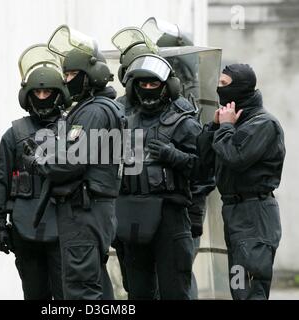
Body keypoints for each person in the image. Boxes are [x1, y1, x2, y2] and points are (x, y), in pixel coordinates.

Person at [22, 25, 125, 300]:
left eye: (71, 75)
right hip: (89, 209)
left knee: (81, 288)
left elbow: (71, 162)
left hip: (84, 210)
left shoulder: (93, 112)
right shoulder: (96, 109)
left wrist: (37, 163)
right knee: (93, 284)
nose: (66, 81)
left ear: (91, 75)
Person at [115, 53, 202, 299]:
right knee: (138, 291)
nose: (149, 89)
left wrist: (174, 156)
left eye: (154, 84)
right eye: (143, 84)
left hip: (170, 215)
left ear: (167, 87)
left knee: (175, 290)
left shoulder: (184, 124)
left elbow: (206, 170)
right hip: (132, 215)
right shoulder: (123, 124)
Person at [0, 45, 69, 300]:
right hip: (25, 228)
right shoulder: (14, 134)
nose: (42, 96)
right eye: (38, 91)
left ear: (58, 94)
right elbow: (0, 180)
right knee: (34, 295)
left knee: (66, 296)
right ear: (28, 95)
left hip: (64, 226)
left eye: (48, 91)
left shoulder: (74, 130)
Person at [197, 64, 285, 300]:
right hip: (235, 214)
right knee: (239, 286)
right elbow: (204, 161)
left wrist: (225, 127)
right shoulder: (235, 121)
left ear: (242, 88)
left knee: (250, 288)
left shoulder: (263, 124)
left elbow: (236, 157)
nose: (219, 89)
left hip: (254, 215)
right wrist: (215, 126)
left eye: (224, 84)